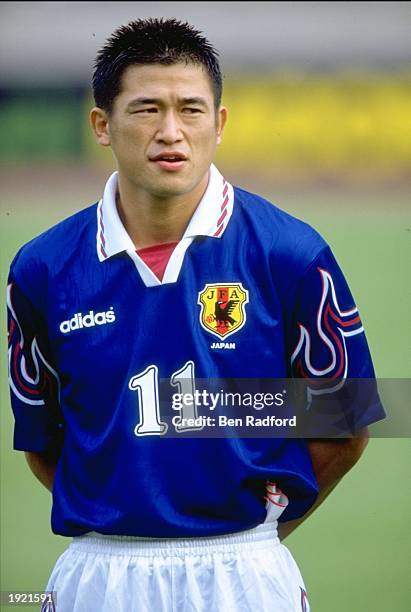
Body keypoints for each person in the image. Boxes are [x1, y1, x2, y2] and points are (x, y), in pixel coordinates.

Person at [7, 18, 385, 612]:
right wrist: (125, 516)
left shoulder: (290, 252)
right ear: (101, 125)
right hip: (98, 574)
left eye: (190, 109)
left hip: (246, 570)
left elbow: (346, 426)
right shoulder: (43, 269)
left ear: (221, 122)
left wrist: (257, 532)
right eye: (146, 109)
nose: (170, 132)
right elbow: (43, 441)